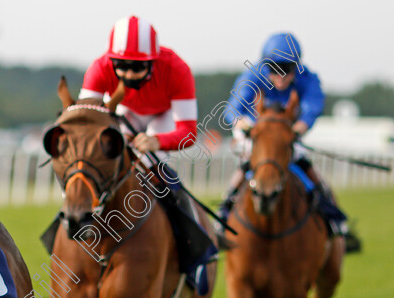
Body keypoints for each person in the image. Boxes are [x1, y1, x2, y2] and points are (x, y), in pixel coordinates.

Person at [78, 15, 214, 280]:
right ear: (110, 61)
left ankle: (194, 251)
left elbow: (188, 133)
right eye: (121, 66)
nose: (128, 74)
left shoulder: (177, 69)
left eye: (137, 67)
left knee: (153, 168)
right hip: (122, 114)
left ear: (153, 62)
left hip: (161, 119)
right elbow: (84, 122)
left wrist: (157, 141)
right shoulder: (98, 68)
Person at [217, 32, 356, 248]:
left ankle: (332, 216)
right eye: (274, 69)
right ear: (266, 66)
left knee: (303, 160)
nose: (281, 76)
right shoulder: (252, 76)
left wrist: (296, 131)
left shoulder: (308, 79)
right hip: (257, 133)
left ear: (297, 67)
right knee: (246, 160)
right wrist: (243, 125)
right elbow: (232, 110)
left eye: (287, 70)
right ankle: (225, 208)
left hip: (288, 134)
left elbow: (311, 110)